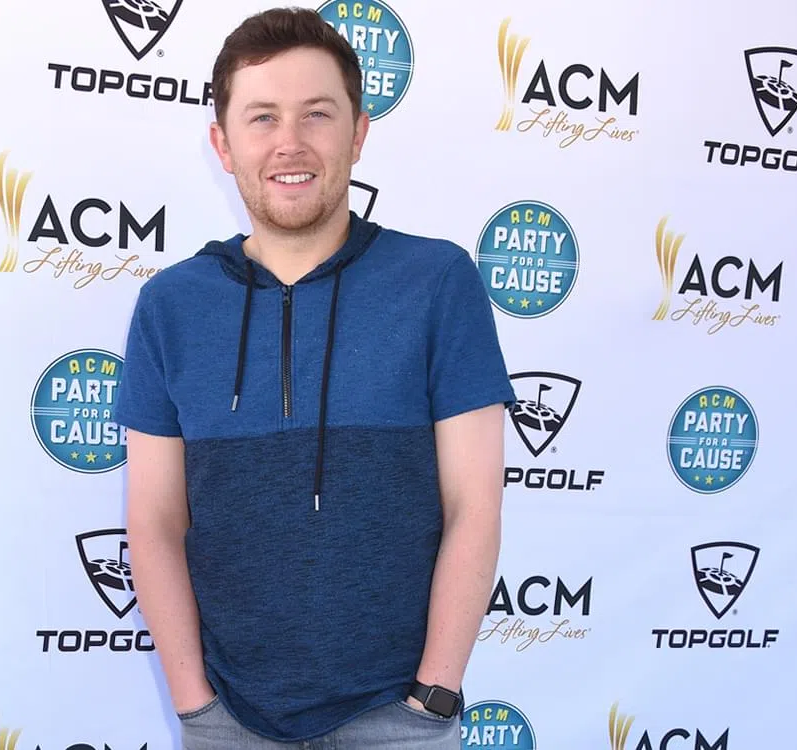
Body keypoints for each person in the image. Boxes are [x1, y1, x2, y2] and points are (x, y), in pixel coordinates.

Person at [114, 7, 515, 749]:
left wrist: (431, 697)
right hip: (228, 720)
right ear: (222, 143)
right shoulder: (170, 306)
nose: (289, 143)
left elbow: (475, 506)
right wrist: (196, 705)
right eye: (262, 117)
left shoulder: (437, 282)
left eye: (317, 114)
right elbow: (155, 521)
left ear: (358, 133)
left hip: (398, 718)